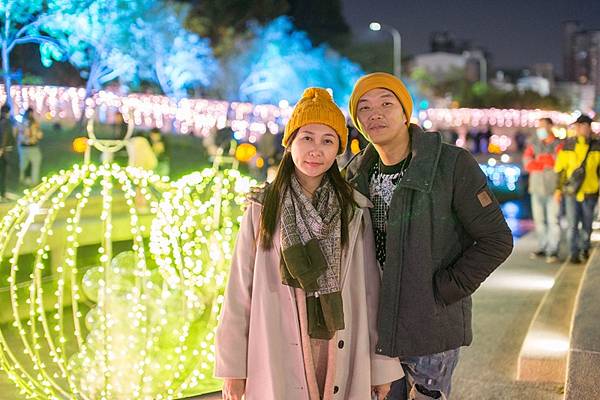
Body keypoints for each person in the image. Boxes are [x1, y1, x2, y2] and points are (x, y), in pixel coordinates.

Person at [215, 88, 403, 400]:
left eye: (327, 140)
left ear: (338, 150)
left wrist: (380, 366)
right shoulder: (263, 207)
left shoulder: (354, 210)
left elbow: (371, 293)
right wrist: (234, 369)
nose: (316, 150)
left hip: (339, 345)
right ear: (289, 144)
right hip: (279, 344)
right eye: (307, 138)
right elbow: (239, 291)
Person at [343, 72, 513, 400]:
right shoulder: (354, 173)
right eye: (363, 108)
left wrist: (444, 290)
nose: (374, 113)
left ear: (405, 112)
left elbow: (496, 239)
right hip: (374, 326)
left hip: (429, 330)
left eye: (386, 103)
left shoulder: (450, 164)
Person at [554, 114, 600, 264]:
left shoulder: (597, 146)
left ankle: (584, 249)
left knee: (587, 223)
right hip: (571, 193)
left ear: (589, 127)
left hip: (590, 191)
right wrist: (558, 190)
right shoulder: (567, 145)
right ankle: (573, 253)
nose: (581, 129)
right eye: (578, 126)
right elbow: (560, 171)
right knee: (572, 224)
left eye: (584, 126)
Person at [523, 117, 563, 263]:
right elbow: (527, 164)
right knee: (539, 220)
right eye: (538, 126)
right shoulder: (533, 144)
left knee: (553, 220)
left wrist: (539, 161)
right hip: (536, 187)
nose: (540, 130)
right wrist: (545, 162)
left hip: (553, 188)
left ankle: (553, 250)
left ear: (551, 126)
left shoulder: (559, 144)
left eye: (542, 126)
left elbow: (559, 163)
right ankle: (543, 246)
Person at [18, 107, 43, 186]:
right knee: (35, 163)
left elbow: (17, 135)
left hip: (23, 147)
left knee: (23, 165)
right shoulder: (34, 123)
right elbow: (40, 136)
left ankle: (22, 180)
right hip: (32, 146)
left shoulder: (21, 123)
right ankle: (34, 181)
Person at [0, 105, 16, 200]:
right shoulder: (6, 122)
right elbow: (5, 135)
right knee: (3, 172)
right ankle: (3, 192)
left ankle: (3, 192)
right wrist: (2, 148)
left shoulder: (2, 121)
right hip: (4, 151)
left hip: (4, 150)